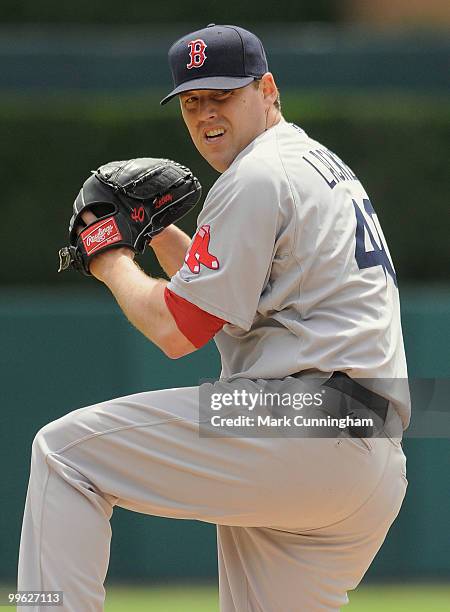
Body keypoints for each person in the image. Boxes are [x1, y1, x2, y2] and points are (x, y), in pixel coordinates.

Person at [18, 24, 409, 611]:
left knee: (64, 453)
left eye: (222, 95)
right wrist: (153, 232)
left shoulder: (256, 175)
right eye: (192, 102)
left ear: (267, 89)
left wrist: (108, 254)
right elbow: (229, 302)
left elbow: (177, 328)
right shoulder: (311, 163)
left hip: (301, 420)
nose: (206, 114)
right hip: (367, 446)